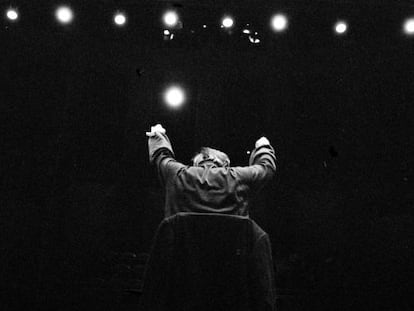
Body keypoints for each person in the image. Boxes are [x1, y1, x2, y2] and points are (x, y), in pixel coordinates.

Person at [146, 124, 277, 217]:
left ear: (196, 162)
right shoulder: (239, 177)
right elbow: (266, 168)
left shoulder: (178, 174)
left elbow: (160, 156)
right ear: (226, 164)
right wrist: (263, 147)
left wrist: (158, 135)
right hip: (230, 255)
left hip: (181, 254)